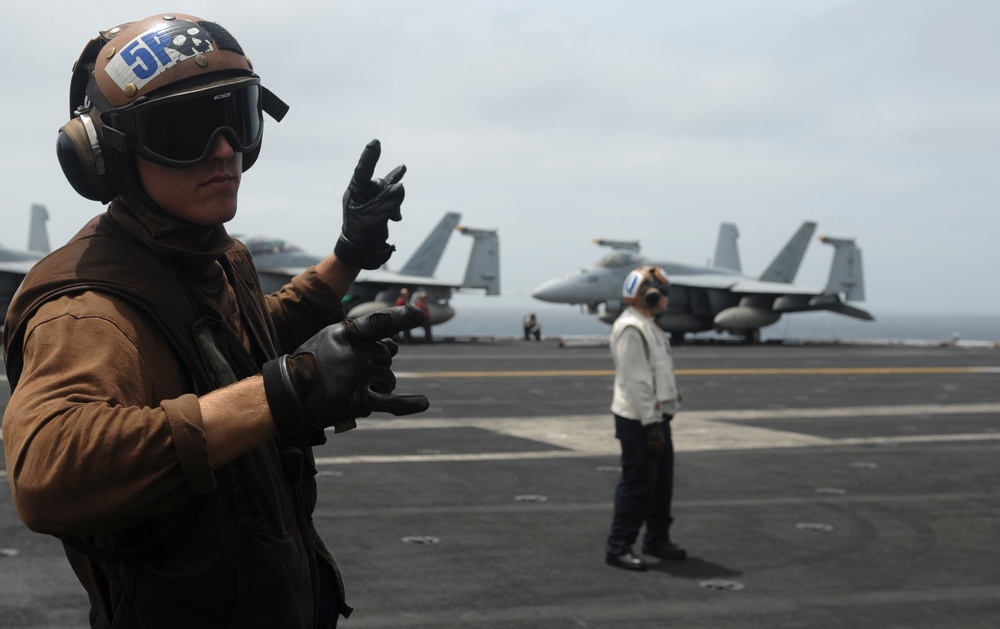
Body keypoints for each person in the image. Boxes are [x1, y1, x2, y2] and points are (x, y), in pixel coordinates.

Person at [2, 13, 429, 628]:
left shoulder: (213, 255)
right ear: (109, 156)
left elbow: (243, 341)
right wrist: (286, 392)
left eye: (238, 117)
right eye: (188, 129)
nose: (225, 149)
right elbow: (51, 473)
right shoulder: (90, 307)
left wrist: (349, 256)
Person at [604, 265, 686, 571]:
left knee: (661, 484)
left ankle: (656, 539)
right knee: (637, 484)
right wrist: (651, 426)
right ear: (651, 296)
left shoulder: (648, 324)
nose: (666, 298)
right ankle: (618, 547)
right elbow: (637, 382)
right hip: (640, 421)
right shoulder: (631, 328)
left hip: (656, 417)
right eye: (663, 293)